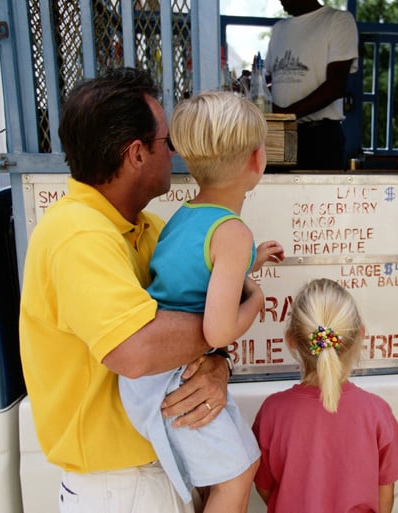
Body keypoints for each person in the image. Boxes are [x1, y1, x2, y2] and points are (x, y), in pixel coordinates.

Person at [19, 68, 232, 513]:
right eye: (166, 143)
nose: (174, 154)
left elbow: (191, 329)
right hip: (121, 487)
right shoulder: (76, 234)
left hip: (158, 467)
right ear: (136, 153)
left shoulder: (147, 229)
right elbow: (137, 349)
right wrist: (228, 323)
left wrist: (217, 365)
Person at [118, 91, 285, 513]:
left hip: (153, 378)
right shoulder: (233, 233)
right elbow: (218, 330)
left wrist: (251, 260)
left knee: (220, 477)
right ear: (256, 159)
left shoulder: (186, 215)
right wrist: (257, 300)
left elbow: (196, 276)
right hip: (172, 377)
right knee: (239, 472)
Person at [252, 278, 398, 513]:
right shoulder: (377, 411)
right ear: (360, 335)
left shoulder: (272, 412)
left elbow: (264, 486)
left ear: (291, 340)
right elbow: (384, 497)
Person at [266, 0, 359, 170]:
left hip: (319, 136)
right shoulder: (279, 28)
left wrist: (287, 114)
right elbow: (272, 80)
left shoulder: (338, 21)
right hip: (279, 134)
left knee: (315, 195)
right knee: (276, 193)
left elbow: (336, 85)